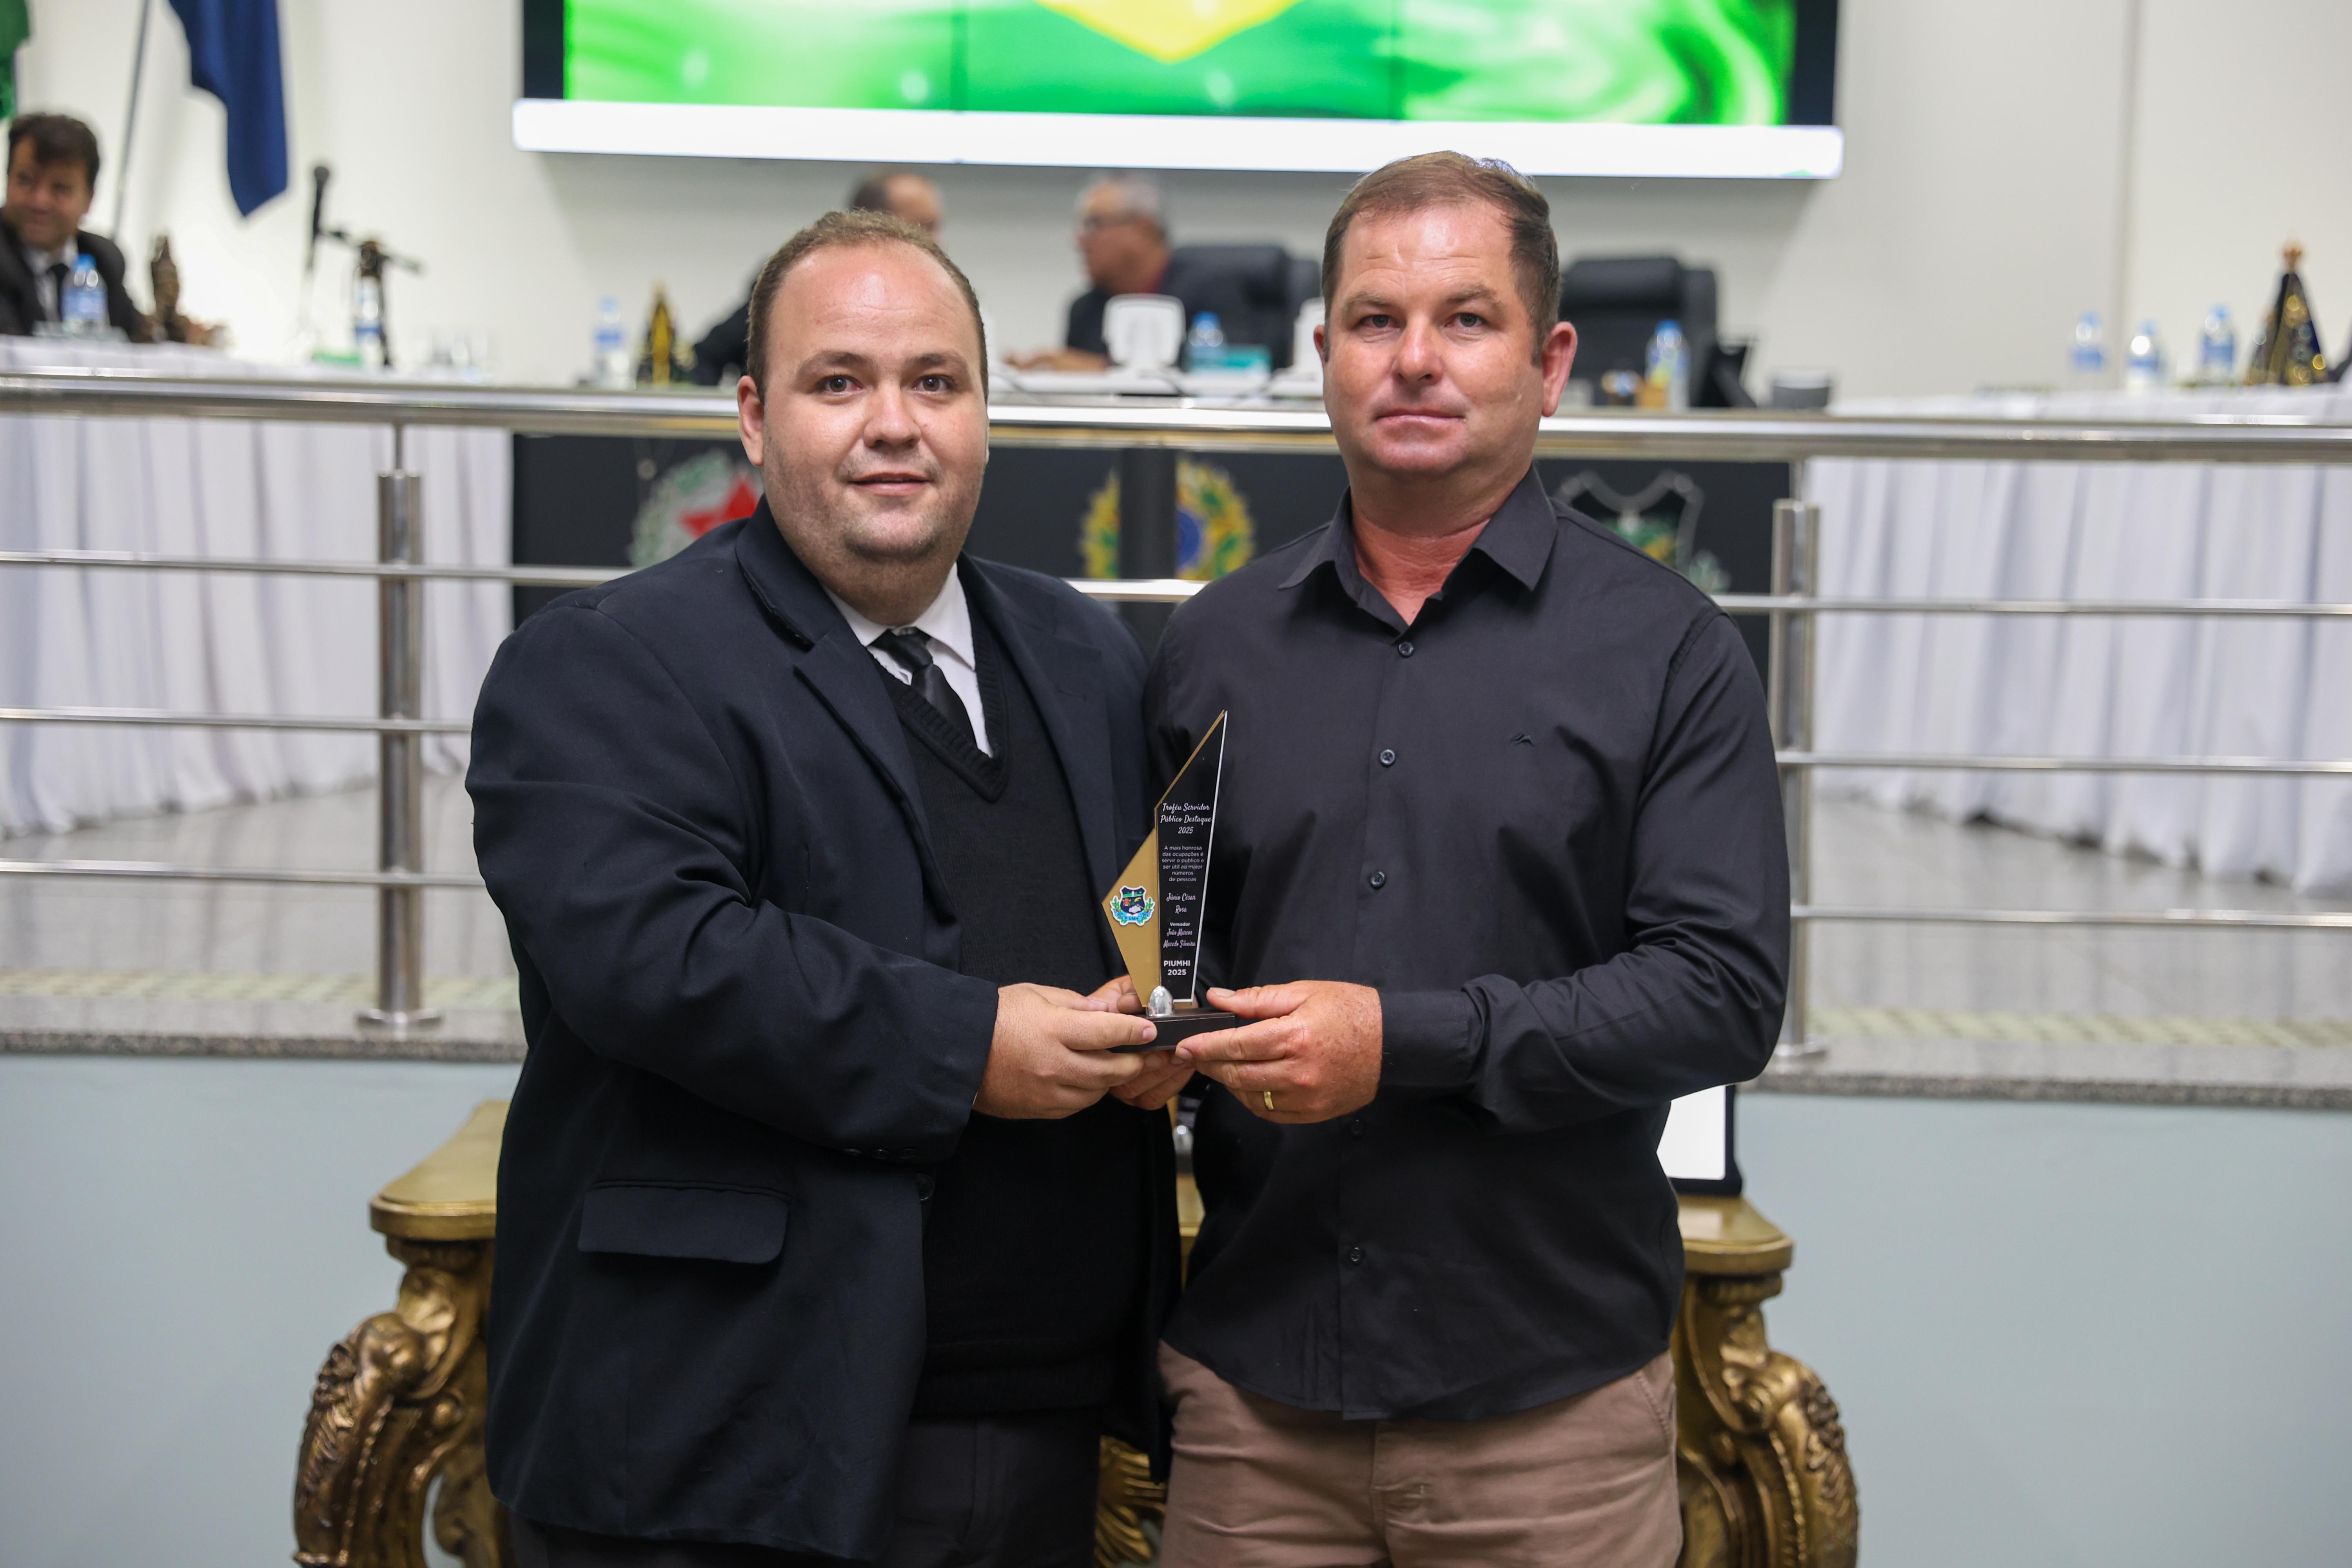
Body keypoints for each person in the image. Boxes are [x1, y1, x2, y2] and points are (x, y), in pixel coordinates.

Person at [470, 209, 1185, 1568]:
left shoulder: (1083, 651)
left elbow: (1140, 911)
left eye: (936, 382)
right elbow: (657, 958)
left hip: (1044, 1429)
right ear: (753, 417)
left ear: (985, 416)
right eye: (838, 382)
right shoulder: (607, 662)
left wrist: (1162, 1029)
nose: (893, 425)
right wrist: (971, 1046)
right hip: (723, 1447)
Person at [1139, 151, 1790, 1566]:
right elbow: (1166, 949)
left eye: (1466, 318)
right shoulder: (1211, 646)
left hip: (1545, 1417)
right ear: (1322, 353)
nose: (1415, 358)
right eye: (1375, 320)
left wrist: (1406, 1041)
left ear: (1548, 363)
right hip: (1256, 1404)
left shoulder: (1668, 651)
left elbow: (1721, 992)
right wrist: (1147, 1029)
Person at [692, 171, 944, 384]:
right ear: (875, 222)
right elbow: (705, 357)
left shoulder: (941, 296)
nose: (937, 242)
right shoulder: (798, 285)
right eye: (924, 227)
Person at [1009, 175, 1248, 373]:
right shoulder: (1086, 310)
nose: (1079, 241)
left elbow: (1229, 374)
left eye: (1094, 225)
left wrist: (1101, 370)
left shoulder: (1212, 291)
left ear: (1143, 230)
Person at [0, 112, 149, 340]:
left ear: (89, 199)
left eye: (60, 188)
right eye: (26, 181)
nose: (40, 202)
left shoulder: (104, 259)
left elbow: (136, 341)